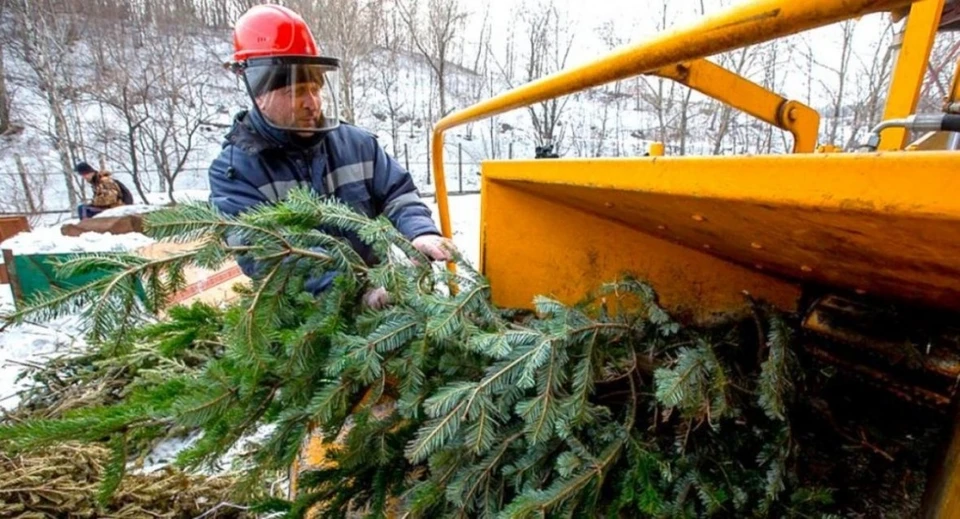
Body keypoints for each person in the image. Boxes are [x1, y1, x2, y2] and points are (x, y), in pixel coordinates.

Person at [208, 5, 454, 309]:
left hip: (377, 297)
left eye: (315, 89)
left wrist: (419, 232)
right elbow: (267, 257)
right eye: (297, 91)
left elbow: (398, 194)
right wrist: (355, 295)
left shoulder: (358, 144)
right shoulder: (235, 172)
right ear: (259, 94)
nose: (312, 103)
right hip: (301, 323)